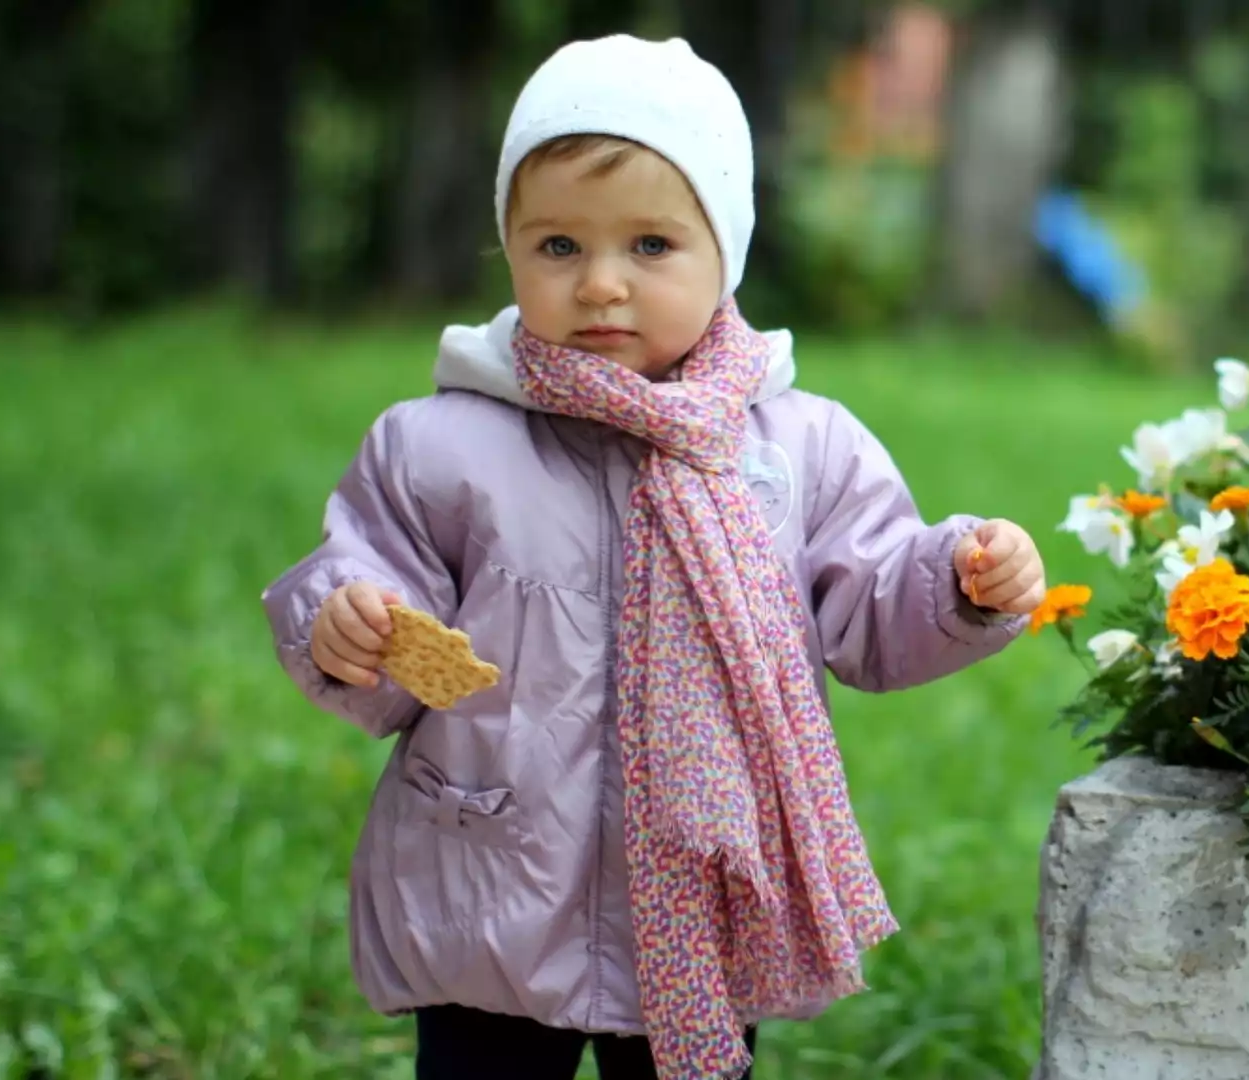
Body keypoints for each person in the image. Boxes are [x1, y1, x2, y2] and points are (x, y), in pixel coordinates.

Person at [261, 33, 1046, 1080]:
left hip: (702, 892)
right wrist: (349, 620)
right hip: (492, 886)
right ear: (509, 247)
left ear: (728, 250)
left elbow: (869, 601)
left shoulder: (798, 447)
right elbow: (377, 578)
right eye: (557, 246)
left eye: (650, 245)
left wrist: (957, 582)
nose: (600, 285)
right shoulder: (442, 445)